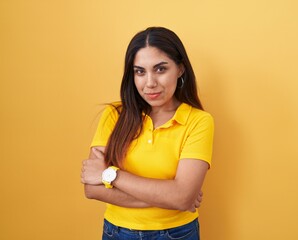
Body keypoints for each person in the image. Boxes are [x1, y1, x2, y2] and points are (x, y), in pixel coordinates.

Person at [81, 26, 214, 240]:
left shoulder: (199, 121)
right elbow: (92, 189)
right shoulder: (114, 115)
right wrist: (171, 196)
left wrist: (111, 175)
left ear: (180, 69)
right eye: (140, 71)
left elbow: (182, 198)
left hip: (177, 234)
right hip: (117, 233)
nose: (150, 83)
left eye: (160, 69)